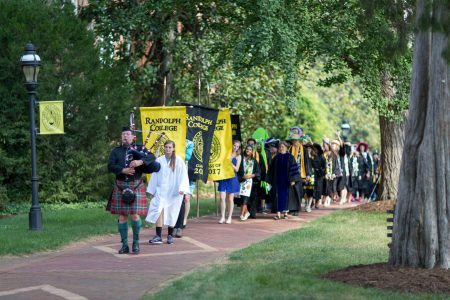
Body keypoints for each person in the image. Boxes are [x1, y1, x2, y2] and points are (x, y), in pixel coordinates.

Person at [107, 127, 159, 254]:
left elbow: (151, 157)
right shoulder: (116, 151)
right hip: (120, 186)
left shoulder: (140, 149)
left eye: (128, 134)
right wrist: (122, 170)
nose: (125, 136)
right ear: (121, 137)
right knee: (122, 216)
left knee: (135, 216)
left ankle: (136, 243)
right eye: (123, 134)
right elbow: (110, 166)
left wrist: (140, 161)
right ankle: (124, 245)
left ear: (132, 137)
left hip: (135, 185)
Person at [146, 140, 190, 245]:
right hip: (161, 190)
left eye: (170, 147)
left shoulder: (179, 161)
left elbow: (184, 176)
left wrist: (183, 189)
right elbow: (155, 175)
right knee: (158, 210)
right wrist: (152, 190)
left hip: (174, 191)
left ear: (173, 148)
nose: (168, 149)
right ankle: (158, 235)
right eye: (166, 147)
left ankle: (170, 235)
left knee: (172, 212)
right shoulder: (159, 160)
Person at [267, 141, 301, 220]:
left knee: (286, 197)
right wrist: (269, 180)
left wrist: (293, 180)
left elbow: (294, 169)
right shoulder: (276, 157)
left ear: (286, 148)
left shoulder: (290, 157)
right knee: (277, 197)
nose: (281, 148)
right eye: (280, 147)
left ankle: (285, 213)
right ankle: (278, 214)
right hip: (277, 181)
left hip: (287, 181)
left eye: (283, 147)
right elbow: (271, 170)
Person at [217, 140, 242, 224]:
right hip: (224, 177)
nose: (235, 147)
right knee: (222, 197)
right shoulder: (226, 152)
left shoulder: (239, 156)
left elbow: (237, 169)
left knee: (230, 199)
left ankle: (229, 217)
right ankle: (222, 217)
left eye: (237, 146)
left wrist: (230, 162)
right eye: (234, 145)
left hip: (232, 178)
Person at [287, 127, 311, 214]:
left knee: (298, 191)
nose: (295, 142)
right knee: (291, 192)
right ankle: (291, 209)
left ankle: (296, 209)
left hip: (300, 174)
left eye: (296, 140)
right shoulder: (289, 149)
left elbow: (307, 162)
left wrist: (308, 174)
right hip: (291, 174)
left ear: (299, 140)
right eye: (293, 140)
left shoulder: (303, 150)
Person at [237, 144, 261, 221]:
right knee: (242, 198)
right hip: (241, 180)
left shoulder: (254, 161)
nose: (248, 151)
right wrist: (242, 176)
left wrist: (251, 175)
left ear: (252, 151)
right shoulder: (241, 159)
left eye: (250, 150)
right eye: (247, 149)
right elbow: (239, 169)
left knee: (245, 198)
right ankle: (246, 212)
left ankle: (241, 215)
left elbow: (258, 172)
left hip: (249, 182)